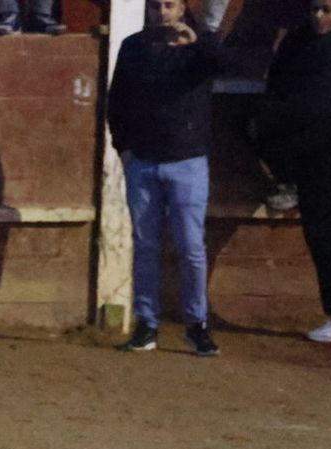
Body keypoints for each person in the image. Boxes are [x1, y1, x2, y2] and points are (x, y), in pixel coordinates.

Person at [250, 0, 331, 343]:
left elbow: (317, 103)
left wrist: (275, 114)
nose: (318, 17)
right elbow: (280, 83)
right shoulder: (303, 40)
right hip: (310, 146)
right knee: (319, 228)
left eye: (327, 10)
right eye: (314, 9)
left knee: (321, 229)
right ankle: (287, 181)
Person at [109, 0, 225, 356]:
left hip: (188, 161)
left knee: (191, 247)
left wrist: (200, 42)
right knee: (145, 245)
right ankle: (146, 324)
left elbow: (227, 65)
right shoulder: (133, 46)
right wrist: (124, 148)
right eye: (156, 5)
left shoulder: (198, 45)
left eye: (169, 5)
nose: (162, 12)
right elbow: (117, 101)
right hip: (143, 160)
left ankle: (196, 324)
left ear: (181, 8)